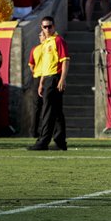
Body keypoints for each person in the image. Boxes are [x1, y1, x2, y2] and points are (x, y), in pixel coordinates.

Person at [28, 16, 70, 151]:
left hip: (54, 78)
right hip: (47, 78)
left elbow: (65, 60)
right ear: (42, 28)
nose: (47, 29)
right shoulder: (46, 43)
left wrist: (63, 78)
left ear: (54, 26)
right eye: (45, 27)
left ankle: (43, 141)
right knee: (57, 111)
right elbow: (45, 65)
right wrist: (41, 82)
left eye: (50, 26)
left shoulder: (58, 40)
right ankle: (60, 141)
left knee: (47, 111)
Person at [27, 31, 46, 138]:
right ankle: (43, 131)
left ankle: (33, 131)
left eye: (41, 35)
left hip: (37, 77)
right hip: (46, 76)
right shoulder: (48, 48)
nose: (40, 37)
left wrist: (36, 71)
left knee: (36, 106)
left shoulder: (35, 49)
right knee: (45, 106)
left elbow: (31, 65)